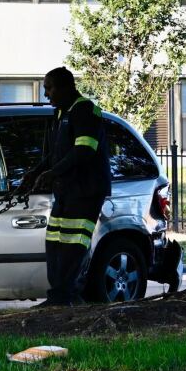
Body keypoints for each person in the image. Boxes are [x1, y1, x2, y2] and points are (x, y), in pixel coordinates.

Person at [28, 67, 111, 307]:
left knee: (73, 248)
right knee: (54, 245)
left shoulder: (85, 110)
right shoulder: (62, 113)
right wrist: (35, 173)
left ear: (67, 87)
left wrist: (52, 172)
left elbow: (84, 150)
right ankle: (59, 298)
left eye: (50, 88)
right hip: (65, 191)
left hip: (85, 192)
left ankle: (65, 299)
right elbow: (56, 154)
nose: (47, 94)